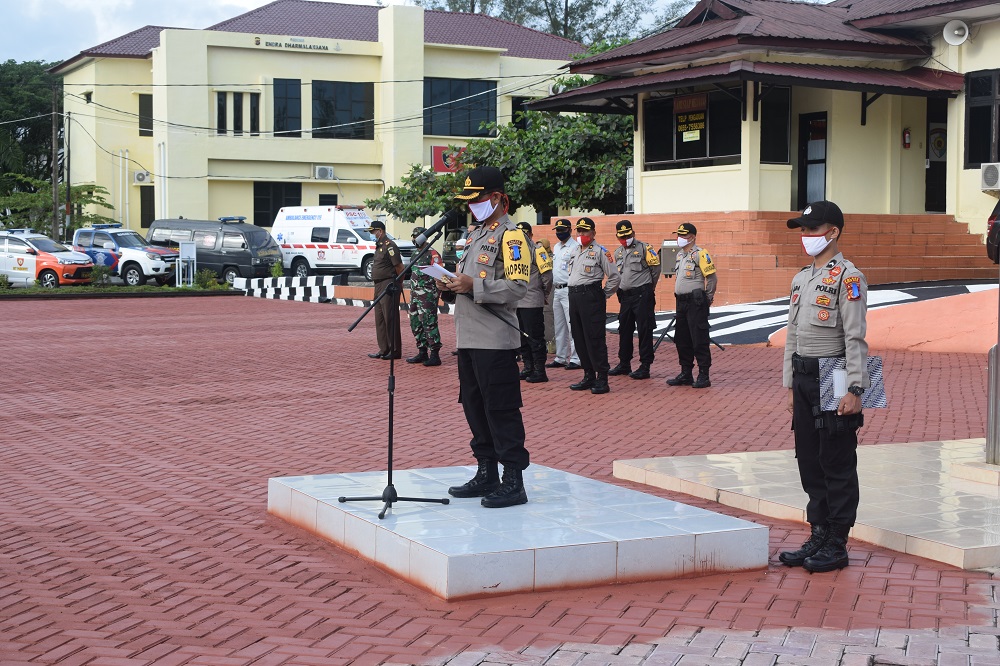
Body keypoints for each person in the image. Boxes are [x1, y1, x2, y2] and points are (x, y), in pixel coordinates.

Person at [778, 200, 868, 574]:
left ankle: (837, 540)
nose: (806, 236)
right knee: (810, 460)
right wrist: (788, 385)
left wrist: (855, 389)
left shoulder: (849, 277)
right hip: (803, 377)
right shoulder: (801, 278)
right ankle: (818, 532)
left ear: (834, 232)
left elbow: (856, 338)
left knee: (836, 459)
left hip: (834, 374)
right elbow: (792, 336)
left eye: (812, 230)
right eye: (803, 230)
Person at [436, 166, 532, 508]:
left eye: (475, 200)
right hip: (468, 338)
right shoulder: (475, 236)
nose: (470, 207)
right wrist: (449, 287)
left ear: (496, 198)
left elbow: (518, 288)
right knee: (475, 408)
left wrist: (473, 285)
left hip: (495, 340)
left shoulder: (512, 237)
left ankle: (513, 481)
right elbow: (465, 284)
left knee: (501, 409)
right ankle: (486, 471)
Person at [566, 217, 620, 395]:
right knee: (579, 337)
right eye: (579, 231)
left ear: (593, 233)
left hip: (591, 296)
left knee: (594, 338)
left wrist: (603, 295)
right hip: (574, 296)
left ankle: (602, 378)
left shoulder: (600, 251)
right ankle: (588, 374)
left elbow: (614, 277)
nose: (581, 234)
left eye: (585, 231)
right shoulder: (574, 251)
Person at [666, 223, 717, 388]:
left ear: (693, 236)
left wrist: (707, 298)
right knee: (682, 339)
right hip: (681, 302)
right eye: (678, 235)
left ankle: (703, 375)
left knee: (699, 338)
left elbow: (712, 278)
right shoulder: (680, 255)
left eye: (684, 235)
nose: (679, 238)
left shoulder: (700, 254)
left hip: (696, 302)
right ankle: (685, 372)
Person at [610, 219, 661, 380]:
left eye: (628, 235)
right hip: (625, 297)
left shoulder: (645, 248)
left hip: (642, 295)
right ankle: (624, 363)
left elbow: (655, 270)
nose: (625, 239)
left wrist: (648, 288)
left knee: (644, 330)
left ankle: (645, 365)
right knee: (624, 330)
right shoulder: (618, 252)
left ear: (633, 233)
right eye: (622, 237)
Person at [514, 221, 554, 383]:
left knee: (535, 337)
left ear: (531, 235)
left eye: (525, 234)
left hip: (531, 301)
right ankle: (527, 367)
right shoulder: (514, 251)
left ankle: (539, 370)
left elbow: (548, 277)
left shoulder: (538, 251)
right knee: (521, 337)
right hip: (516, 301)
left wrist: (543, 293)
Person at [546, 219, 582, 371]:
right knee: (559, 325)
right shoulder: (556, 247)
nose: (560, 233)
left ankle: (575, 358)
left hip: (569, 289)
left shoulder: (575, 247)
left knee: (571, 324)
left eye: (562, 230)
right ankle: (560, 357)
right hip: (557, 289)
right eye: (558, 230)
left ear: (570, 229)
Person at [405, 226, 443, 367]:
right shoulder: (415, 254)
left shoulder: (432, 254)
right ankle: (422, 351)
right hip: (415, 295)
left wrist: (436, 294)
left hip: (427, 296)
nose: (415, 239)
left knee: (429, 322)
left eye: (418, 236)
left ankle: (435, 354)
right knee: (415, 323)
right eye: (414, 236)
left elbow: (440, 276)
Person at [367, 220, 403, 360]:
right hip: (378, 285)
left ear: (380, 231)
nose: (372, 235)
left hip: (388, 284)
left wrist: (397, 284)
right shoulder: (379, 246)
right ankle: (384, 349)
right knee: (380, 318)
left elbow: (399, 268)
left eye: (373, 232)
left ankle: (394, 350)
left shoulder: (390, 246)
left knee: (390, 318)